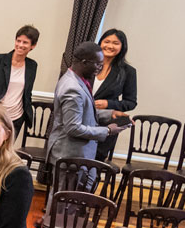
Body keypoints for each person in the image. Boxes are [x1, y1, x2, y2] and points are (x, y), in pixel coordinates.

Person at [45, 41, 127, 168]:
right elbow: (73, 128)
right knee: (68, 189)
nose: (100, 68)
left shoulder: (78, 80)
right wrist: (108, 130)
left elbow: (84, 111)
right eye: (98, 65)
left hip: (79, 155)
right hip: (70, 156)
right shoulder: (72, 88)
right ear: (84, 63)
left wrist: (110, 114)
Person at [0, 25, 39, 131]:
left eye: (25, 42)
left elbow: (27, 93)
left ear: (33, 45)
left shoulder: (32, 66)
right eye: (18, 41)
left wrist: (24, 115)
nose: (20, 45)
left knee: (7, 148)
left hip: (16, 118)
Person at [93, 28, 138, 163]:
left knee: (95, 164)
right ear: (100, 43)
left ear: (122, 47)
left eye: (115, 43)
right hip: (82, 121)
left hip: (106, 125)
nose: (110, 46)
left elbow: (131, 102)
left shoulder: (128, 71)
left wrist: (109, 104)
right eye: (106, 41)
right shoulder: (88, 64)